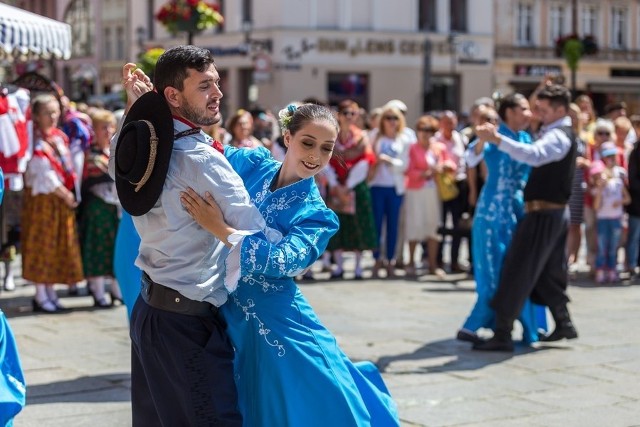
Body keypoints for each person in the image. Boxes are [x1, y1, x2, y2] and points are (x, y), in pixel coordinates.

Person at [180, 102, 400, 427]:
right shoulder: (253, 164)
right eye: (307, 142)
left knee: (318, 405)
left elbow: (283, 260)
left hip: (281, 324)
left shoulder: (317, 215)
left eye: (326, 148)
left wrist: (220, 229)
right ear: (287, 137)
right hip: (232, 315)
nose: (315, 155)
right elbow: (202, 148)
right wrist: (150, 105)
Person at [110, 47, 270, 426]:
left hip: (151, 313)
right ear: (174, 95)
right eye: (204, 86)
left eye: (216, 82)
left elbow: (133, 138)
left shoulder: (130, 141)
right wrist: (225, 231)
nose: (217, 92)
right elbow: (260, 243)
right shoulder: (203, 160)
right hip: (186, 325)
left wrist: (144, 105)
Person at [473, 84, 578, 352]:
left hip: (544, 213)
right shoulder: (553, 131)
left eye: (543, 109)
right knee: (547, 271)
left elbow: (534, 156)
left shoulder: (557, 136)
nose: (537, 113)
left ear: (560, 109)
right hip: (551, 212)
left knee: (517, 268)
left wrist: (498, 140)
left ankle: (503, 332)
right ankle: (563, 322)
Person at [457, 93, 541, 345]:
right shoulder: (493, 136)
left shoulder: (526, 138)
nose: (529, 113)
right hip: (492, 213)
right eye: (524, 108)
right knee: (492, 272)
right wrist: (481, 141)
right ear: (510, 112)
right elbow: (471, 158)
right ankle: (477, 324)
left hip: (518, 213)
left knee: (518, 272)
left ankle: (527, 328)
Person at [22, 94, 84, 313]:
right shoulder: (33, 141)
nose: (52, 116)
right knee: (42, 246)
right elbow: (43, 175)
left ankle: (49, 292)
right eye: (47, 112)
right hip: (43, 201)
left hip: (60, 200)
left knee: (57, 246)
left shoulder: (59, 137)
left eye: (55, 111)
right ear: (36, 116)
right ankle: (40, 294)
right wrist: (64, 194)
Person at [325, 99, 377, 280]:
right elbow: (325, 159)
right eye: (345, 113)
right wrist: (334, 184)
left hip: (355, 186)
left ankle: (358, 267)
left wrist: (348, 185)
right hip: (336, 185)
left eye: (352, 113)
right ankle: (339, 266)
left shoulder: (362, 137)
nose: (349, 117)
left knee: (358, 227)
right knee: (337, 227)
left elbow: (366, 161)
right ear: (338, 115)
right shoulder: (331, 136)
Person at [80, 109, 123, 307]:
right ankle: (98, 293)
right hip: (97, 208)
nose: (107, 131)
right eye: (102, 127)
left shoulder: (115, 151)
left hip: (116, 209)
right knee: (97, 248)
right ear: (94, 131)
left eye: (110, 126)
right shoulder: (90, 155)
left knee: (116, 249)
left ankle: (116, 290)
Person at [403, 115, 449, 277]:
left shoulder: (439, 148)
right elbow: (408, 170)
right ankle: (410, 262)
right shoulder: (412, 148)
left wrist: (444, 167)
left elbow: (448, 163)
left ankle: (432, 264)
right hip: (415, 191)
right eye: (423, 129)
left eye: (429, 130)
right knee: (414, 225)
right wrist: (426, 173)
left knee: (433, 226)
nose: (426, 133)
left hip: (433, 191)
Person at [368, 105, 410, 278]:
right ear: (382, 120)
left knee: (393, 225)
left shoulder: (404, 139)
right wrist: (378, 161)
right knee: (376, 225)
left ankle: (391, 259)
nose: (392, 122)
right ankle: (377, 259)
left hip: (395, 187)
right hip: (377, 185)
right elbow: (368, 158)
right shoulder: (374, 137)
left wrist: (390, 161)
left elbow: (406, 164)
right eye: (388, 118)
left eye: (395, 118)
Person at [591, 144, 631, 283]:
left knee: (614, 246)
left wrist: (619, 202)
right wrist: (601, 188)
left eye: (613, 156)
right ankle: (600, 269)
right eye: (608, 157)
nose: (611, 159)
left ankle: (612, 269)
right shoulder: (600, 178)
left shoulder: (619, 178)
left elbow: (627, 198)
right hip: (602, 218)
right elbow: (596, 206)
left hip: (616, 218)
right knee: (602, 246)